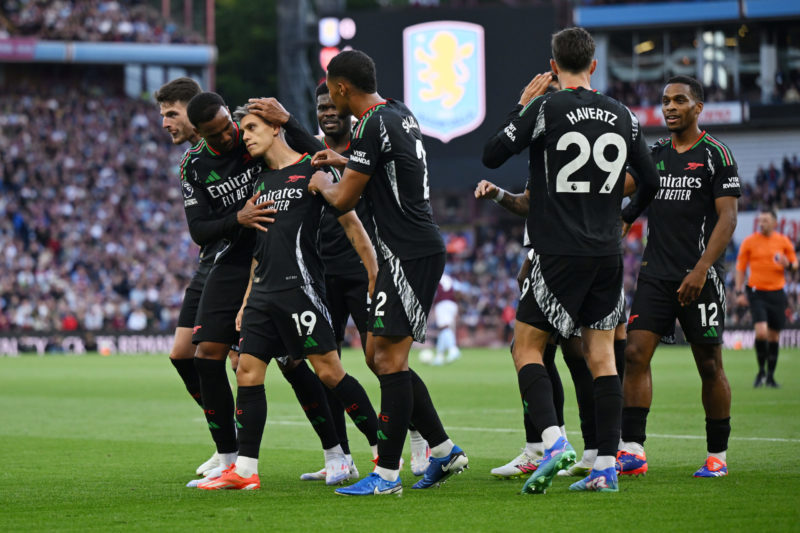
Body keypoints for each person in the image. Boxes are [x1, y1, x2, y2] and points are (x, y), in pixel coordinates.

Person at [482, 27, 659, 494]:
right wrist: (625, 219)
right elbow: (651, 180)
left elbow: (493, 152)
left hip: (557, 252)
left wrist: (522, 106)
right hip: (606, 252)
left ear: (553, 65)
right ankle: (604, 466)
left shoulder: (545, 107)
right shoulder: (622, 114)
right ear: (594, 66)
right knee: (602, 356)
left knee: (527, 348)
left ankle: (554, 441)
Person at [309, 49, 469, 496]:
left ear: (342, 87)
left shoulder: (371, 123)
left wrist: (322, 182)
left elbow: (342, 202)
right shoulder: (398, 113)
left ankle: (386, 475)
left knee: (389, 361)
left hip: (408, 252)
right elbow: (387, 164)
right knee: (376, 354)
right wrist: (341, 162)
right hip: (402, 251)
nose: (330, 101)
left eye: (331, 90)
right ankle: (443, 450)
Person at [198, 105, 379, 490]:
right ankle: (245, 471)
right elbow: (261, 247)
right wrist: (247, 298)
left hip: (301, 292)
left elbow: (352, 224)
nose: (244, 135)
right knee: (247, 371)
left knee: (329, 372)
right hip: (263, 294)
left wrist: (373, 272)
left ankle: (382, 448)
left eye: (251, 127)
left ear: (277, 127)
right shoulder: (261, 182)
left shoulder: (312, 173)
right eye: (243, 128)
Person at [299, 82, 431, 481]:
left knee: (382, 360)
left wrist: (374, 271)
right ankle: (338, 458)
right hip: (320, 274)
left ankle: (421, 437)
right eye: (320, 107)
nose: (327, 112)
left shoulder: (367, 141)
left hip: (364, 269)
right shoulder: (309, 155)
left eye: (332, 104)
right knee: (325, 363)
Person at [476, 172, 635, 480]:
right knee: (571, 354)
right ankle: (586, 451)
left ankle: (552, 447)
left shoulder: (560, 139)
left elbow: (638, 179)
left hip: (567, 259)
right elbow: (531, 204)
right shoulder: (558, 144)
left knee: (545, 351)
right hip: (578, 254)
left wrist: (618, 212)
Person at [618, 75, 740, 479]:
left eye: (679, 100)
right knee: (634, 355)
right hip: (656, 274)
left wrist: (702, 269)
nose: (670, 107)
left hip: (700, 276)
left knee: (708, 363)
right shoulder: (655, 155)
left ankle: (717, 456)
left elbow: (728, 217)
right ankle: (632, 450)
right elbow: (622, 187)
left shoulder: (716, 155)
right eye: (665, 100)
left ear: (697, 107)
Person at [155, 77, 231, 478]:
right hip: (211, 262)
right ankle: (226, 443)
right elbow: (199, 227)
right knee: (182, 354)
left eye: (172, 113)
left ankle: (340, 450)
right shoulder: (191, 161)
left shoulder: (231, 145)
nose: (166, 122)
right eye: (163, 115)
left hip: (244, 264)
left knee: (299, 362)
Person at [735, 208, 797, 388]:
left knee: (774, 337)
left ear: (775, 223)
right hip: (756, 292)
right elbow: (740, 268)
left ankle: (770, 376)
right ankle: (761, 370)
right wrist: (739, 292)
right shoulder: (749, 242)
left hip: (777, 293)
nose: (762, 223)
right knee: (761, 332)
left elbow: (795, 265)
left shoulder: (783, 241)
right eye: (760, 220)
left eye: (766, 220)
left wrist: (789, 264)